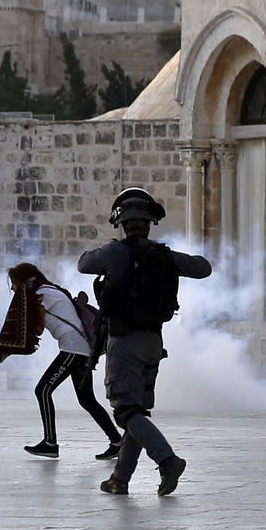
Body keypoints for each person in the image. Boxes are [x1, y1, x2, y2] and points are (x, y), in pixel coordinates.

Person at [78, 187, 212, 496]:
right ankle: (119, 479)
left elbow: (84, 264)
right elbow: (203, 268)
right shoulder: (161, 255)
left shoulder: (115, 252)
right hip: (153, 343)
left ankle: (167, 459)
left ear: (121, 223)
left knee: (127, 413)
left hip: (124, 343)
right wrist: (166, 257)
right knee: (137, 412)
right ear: (149, 223)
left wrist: (111, 251)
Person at [6, 264, 122, 460]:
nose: (12, 289)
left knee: (42, 390)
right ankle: (117, 441)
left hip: (73, 348)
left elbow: (36, 327)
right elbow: (39, 329)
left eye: (14, 284)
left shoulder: (41, 294)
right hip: (80, 349)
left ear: (25, 281)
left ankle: (50, 443)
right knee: (86, 399)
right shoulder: (48, 292)